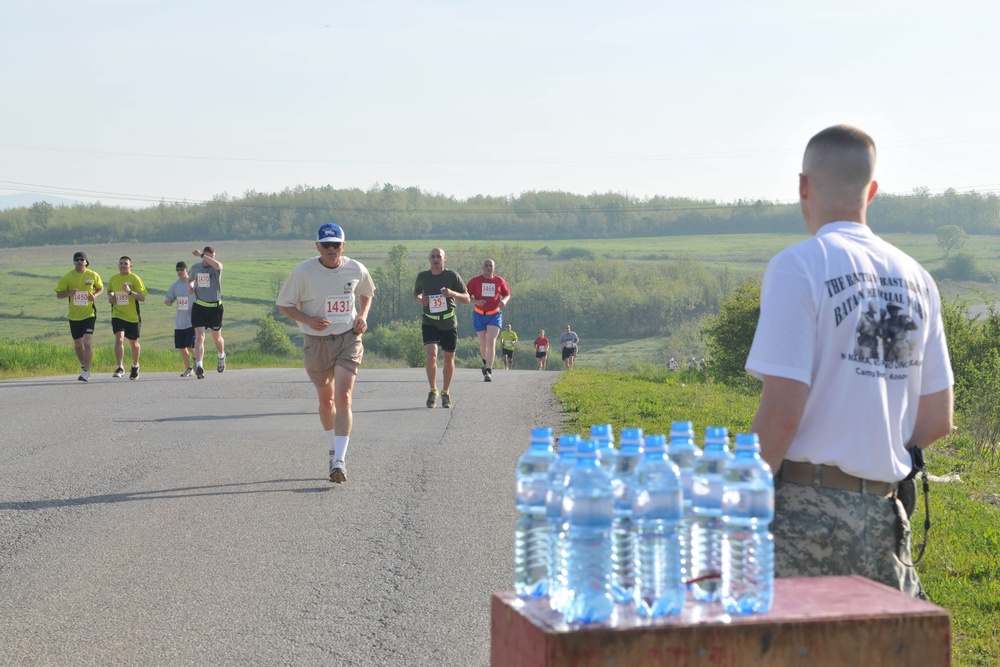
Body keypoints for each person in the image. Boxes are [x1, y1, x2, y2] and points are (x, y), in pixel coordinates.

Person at [745, 125, 954, 598]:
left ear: (803, 186)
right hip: (885, 519)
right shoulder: (918, 278)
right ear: (872, 191)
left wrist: (735, 510)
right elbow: (938, 419)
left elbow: (781, 412)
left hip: (805, 518)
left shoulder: (799, 265)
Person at [277, 223, 375, 484]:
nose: (331, 249)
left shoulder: (356, 268)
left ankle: (340, 461)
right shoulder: (303, 272)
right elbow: (284, 304)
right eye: (326, 244)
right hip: (316, 342)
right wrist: (307, 319)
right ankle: (332, 448)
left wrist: (362, 317)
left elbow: (367, 293)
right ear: (317, 246)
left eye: (336, 244)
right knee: (326, 402)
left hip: (347, 338)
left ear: (344, 245)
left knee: (343, 397)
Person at [413, 247, 470, 408]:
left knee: (448, 359)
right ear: (429, 259)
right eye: (433, 256)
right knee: (431, 356)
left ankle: (445, 391)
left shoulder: (452, 276)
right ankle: (433, 390)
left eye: (439, 256)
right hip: (429, 321)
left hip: (448, 322)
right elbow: (415, 294)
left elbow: (467, 298)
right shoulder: (423, 277)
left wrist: (453, 293)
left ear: (445, 258)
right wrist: (419, 300)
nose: (436, 259)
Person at [54, 251, 104, 382]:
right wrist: (69, 293)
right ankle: (83, 365)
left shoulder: (93, 275)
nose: (79, 261)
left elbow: (100, 288)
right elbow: (59, 294)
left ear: (86, 261)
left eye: (82, 259)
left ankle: (86, 371)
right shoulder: (68, 277)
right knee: (77, 344)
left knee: (87, 342)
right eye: (76, 259)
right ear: (73, 262)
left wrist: (95, 296)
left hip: (89, 314)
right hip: (74, 316)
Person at [465, 258, 511, 382]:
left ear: (494, 268)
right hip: (479, 314)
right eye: (486, 265)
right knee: (483, 344)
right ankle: (485, 362)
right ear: (482, 267)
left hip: (494, 315)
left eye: (490, 265)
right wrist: (476, 301)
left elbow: (507, 294)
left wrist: (504, 301)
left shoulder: (499, 280)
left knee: (491, 342)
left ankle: (488, 371)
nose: (488, 267)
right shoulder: (475, 281)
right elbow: (466, 296)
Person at [107, 256, 148, 380]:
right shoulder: (114, 279)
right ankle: (120, 367)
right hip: (117, 314)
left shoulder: (135, 279)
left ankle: (135, 366)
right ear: (118, 265)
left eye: (126, 263)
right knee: (119, 339)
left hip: (132, 316)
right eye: (121, 263)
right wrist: (111, 297)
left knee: (133, 342)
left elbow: (142, 297)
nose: (123, 265)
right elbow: (109, 291)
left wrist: (130, 292)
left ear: (131, 266)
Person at [188, 246, 226, 378]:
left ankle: (221, 356)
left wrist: (202, 256)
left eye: (212, 257)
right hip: (199, 306)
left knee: (217, 338)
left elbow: (218, 264)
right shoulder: (195, 268)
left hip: (215, 307)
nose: (209, 260)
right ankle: (199, 365)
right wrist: (191, 287)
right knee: (200, 337)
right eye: (208, 256)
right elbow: (191, 280)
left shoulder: (215, 268)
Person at [165, 261, 196, 377]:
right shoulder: (175, 285)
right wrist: (167, 301)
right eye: (177, 270)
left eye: (181, 269)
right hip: (179, 321)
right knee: (181, 347)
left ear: (186, 270)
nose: (179, 272)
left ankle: (197, 358)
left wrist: (196, 309)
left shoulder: (192, 284)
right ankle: (189, 368)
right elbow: (169, 298)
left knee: (190, 345)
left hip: (192, 321)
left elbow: (200, 297)